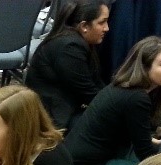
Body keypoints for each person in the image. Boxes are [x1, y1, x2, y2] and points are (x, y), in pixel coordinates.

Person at [64, 36, 161, 165]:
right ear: (145, 67)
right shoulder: (137, 98)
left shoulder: (125, 86)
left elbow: (136, 138)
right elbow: (145, 152)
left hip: (98, 155)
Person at [24, 0, 109, 131]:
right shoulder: (69, 48)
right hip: (50, 117)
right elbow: (88, 92)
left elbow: (95, 83)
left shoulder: (77, 41)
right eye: (102, 22)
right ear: (84, 26)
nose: (106, 28)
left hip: (63, 107)